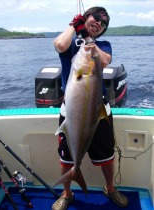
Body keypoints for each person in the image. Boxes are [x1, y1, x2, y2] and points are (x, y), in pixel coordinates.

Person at [52, 6, 129, 210]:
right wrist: (73, 26)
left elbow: (103, 61)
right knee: (67, 158)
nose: (99, 24)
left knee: (106, 157)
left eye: (104, 24)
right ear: (86, 17)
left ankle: (110, 189)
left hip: (99, 109)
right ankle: (67, 193)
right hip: (71, 110)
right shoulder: (71, 43)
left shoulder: (103, 45)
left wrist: (88, 39)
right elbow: (59, 44)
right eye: (96, 18)